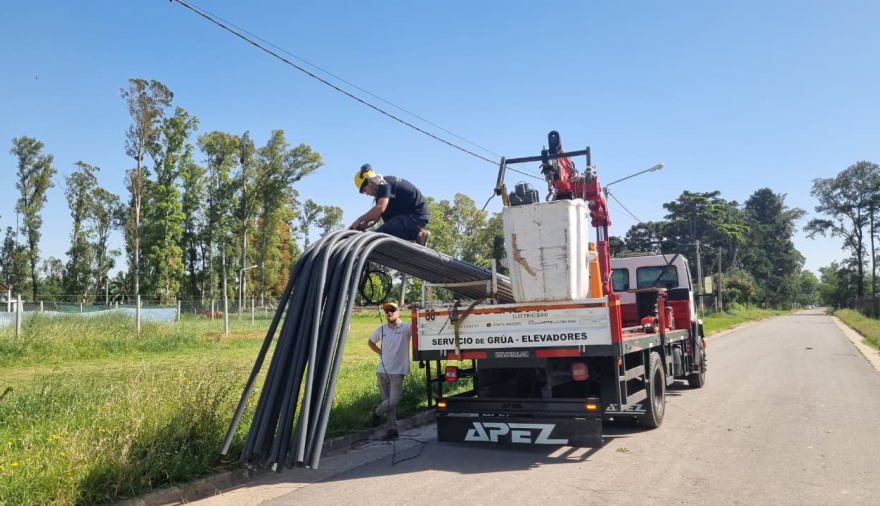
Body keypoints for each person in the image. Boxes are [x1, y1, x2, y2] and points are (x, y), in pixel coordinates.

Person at [349, 164, 431, 246]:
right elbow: (374, 219)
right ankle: (418, 235)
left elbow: (380, 209)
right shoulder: (381, 195)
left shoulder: (385, 184)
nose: (366, 194)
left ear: (369, 181)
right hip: (409, 216)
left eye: (365, 190)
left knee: (380, 235)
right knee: (386, 227)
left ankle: (417, 235)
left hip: (417, 215)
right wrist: (360, 226)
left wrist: (359, 220)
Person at [367, 301, 413, 441]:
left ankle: (377, 411)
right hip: (382, 370)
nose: (390, 313)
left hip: (398, 372)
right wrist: (380, 352)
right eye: (387, 311)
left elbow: (417, 326)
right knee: (387, 401)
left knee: (393, 401)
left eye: (392, 310)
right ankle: (393, 430)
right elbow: (370, 342)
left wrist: (415, 311)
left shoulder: (406, 327)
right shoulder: (381, 329)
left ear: (399, 312)